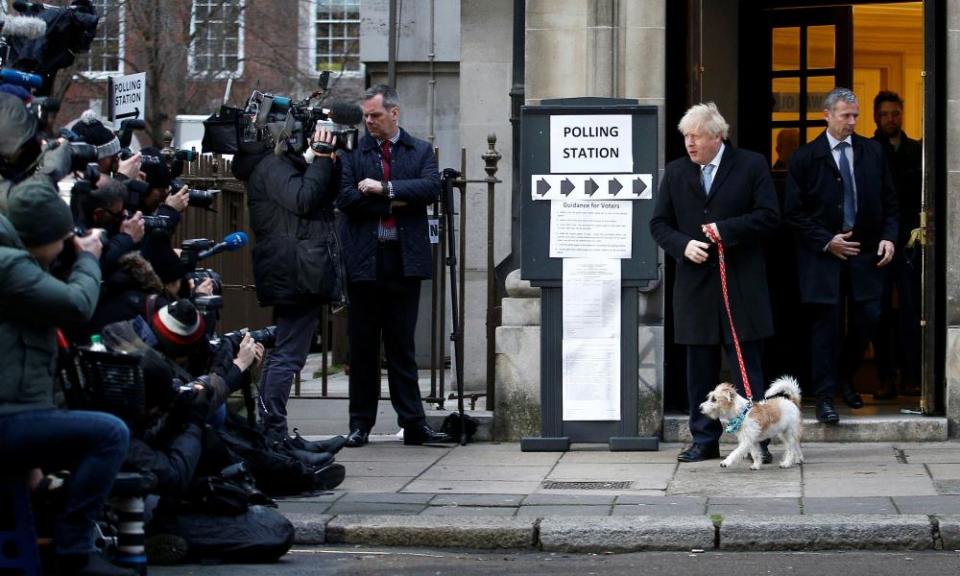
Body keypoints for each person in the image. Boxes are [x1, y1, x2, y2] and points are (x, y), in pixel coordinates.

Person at [0, 180, 134, 576]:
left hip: (14, 412)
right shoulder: (11, 267)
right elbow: (77, 305)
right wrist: (88, 258)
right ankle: (75, 550)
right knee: (110, 434)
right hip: (8, 420)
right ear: (38, 238)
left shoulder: (15, 263)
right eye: (61, 240)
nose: (65, 247)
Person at [649, 102, 780, 463]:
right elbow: (658, 224)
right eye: (686, 137)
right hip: (695, 289)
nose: (689, 144)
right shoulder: (676, 172)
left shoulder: (750, 165)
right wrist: (682, 245)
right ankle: (704, 440)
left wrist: (727, 230)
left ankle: (760, 441)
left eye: (696, 136)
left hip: (740, 284)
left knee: (746, 367)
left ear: (718, 136)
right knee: (699, 369)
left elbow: (770, 217)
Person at [337, 84, 452, 447]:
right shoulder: (353, 152)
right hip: (364, 260)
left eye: (375, 115)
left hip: (404, 259)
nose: (368, 121)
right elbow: (346, 198)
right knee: (363, 346)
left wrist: (383, 189)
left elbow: (430, 189)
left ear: (394, 113)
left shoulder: (418, 150)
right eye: (366, 116)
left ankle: (413, 423)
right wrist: (395, 202)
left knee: (402, 346)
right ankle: (360, 424)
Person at [784, 87, 898, 424]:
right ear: (827, 115)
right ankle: (824, 397)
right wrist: (826, 241)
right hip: (823, 256)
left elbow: (891, 202)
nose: (852, 122)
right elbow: (792, 212)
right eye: (845, 115)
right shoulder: (806, 157)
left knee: (869, 317)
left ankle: (846, 375)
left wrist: (890, 238)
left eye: (855, 116)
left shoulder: (872, 151)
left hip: (864, 252)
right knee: (826, 326)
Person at [231, 124, 342, 437]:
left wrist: (329, 161)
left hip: (296, 267)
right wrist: (320, 159)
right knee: (288, 354)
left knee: (286, 351)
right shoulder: (271, 167)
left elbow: (319, 196)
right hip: (294, 270)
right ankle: (273, 431)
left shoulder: (276, 165)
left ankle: (271, 428)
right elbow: (303, 198)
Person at [871, 90, 923, 399]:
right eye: (885, 114)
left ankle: (913, 376)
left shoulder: (917, 149)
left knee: (911, 311)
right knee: (878, 314)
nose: (891, 119)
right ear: (876, 117)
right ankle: (884, 377)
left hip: (910, 242)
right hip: (876, 242)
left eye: (895, 113)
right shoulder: (867, 150)